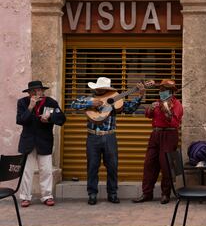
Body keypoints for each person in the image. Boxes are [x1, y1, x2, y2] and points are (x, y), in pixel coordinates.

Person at [71, 77, 145, 205]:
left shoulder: (115, 99)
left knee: (112, 166)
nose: (101, 90)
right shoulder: (88, 98)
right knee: (92, 166)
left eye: (103, 88)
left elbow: (129, 108)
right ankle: (92, 194)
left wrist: (140, 95)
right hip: (93, 137)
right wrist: (91, 104)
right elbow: (74, 104)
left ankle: (112, 193)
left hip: (110, 136)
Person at [133, 79, 183, 205]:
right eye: (161, 89)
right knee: (149, 163)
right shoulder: (157, 102)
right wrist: (151, 107)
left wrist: (166, 110)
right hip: (155, 134)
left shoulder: (176, 104)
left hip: (169, 134)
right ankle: (147, 193)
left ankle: (165, 194)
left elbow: (175, 122)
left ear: (171, 92)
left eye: (165, 90)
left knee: (165, 164)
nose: (162, 92)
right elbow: (148, 115)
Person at [17, 80, 66, 207]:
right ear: (29, 93)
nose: (37, 93)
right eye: (34, 91)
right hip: (28, 142)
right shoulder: (22, 102)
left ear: (43, 91)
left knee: (46, 170)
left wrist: (49, 119)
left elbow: (61, 119)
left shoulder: (51, 102)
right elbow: (20, 120)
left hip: (44, 141)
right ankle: (25, 197)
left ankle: (47, 196)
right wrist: (30, 107)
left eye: (39, 90)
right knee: (26, 171)